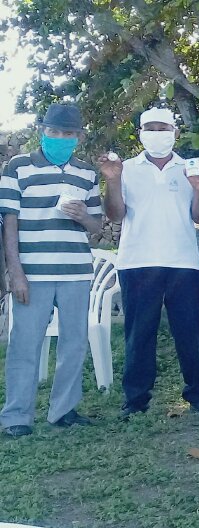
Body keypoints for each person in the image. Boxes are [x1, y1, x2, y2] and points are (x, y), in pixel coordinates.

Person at [99, 106, 199, 418]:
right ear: (140, 134)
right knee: (139, 333)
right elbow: (115, 214)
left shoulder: (189, 168)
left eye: (164, 127)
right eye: (150, 128)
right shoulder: (126, 169)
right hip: (137, 261)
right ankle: (135, 400)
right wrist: (112, 181)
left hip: (183, 261)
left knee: (189, 331)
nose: (157, 133)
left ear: (175, 133)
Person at [0, 103, 102, 437]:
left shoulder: (87, 173)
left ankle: (64, 410)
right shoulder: (18, 166)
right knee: (25, 343)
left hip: (76, 271)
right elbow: (9, 221)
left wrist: (81, 216)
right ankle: (16, 416)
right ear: (43, 131)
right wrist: (15, 271)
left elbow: (96, 226)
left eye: (68, 133)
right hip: (33, 272)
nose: (60, 138)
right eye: (54, 132)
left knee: (74, 343)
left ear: (79, 137)